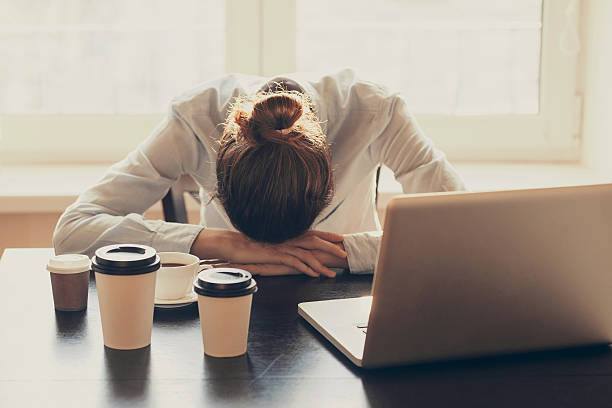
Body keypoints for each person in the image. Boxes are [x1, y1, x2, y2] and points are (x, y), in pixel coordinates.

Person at [53, 68, 466, 277]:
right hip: (229, 284)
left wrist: (344, 252)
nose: (282, 251)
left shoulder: (377, 111)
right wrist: (223, 243)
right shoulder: (195, 117)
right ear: (220, 174)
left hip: (346, 293)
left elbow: (466, 230)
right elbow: (74, 230)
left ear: (327, 175)